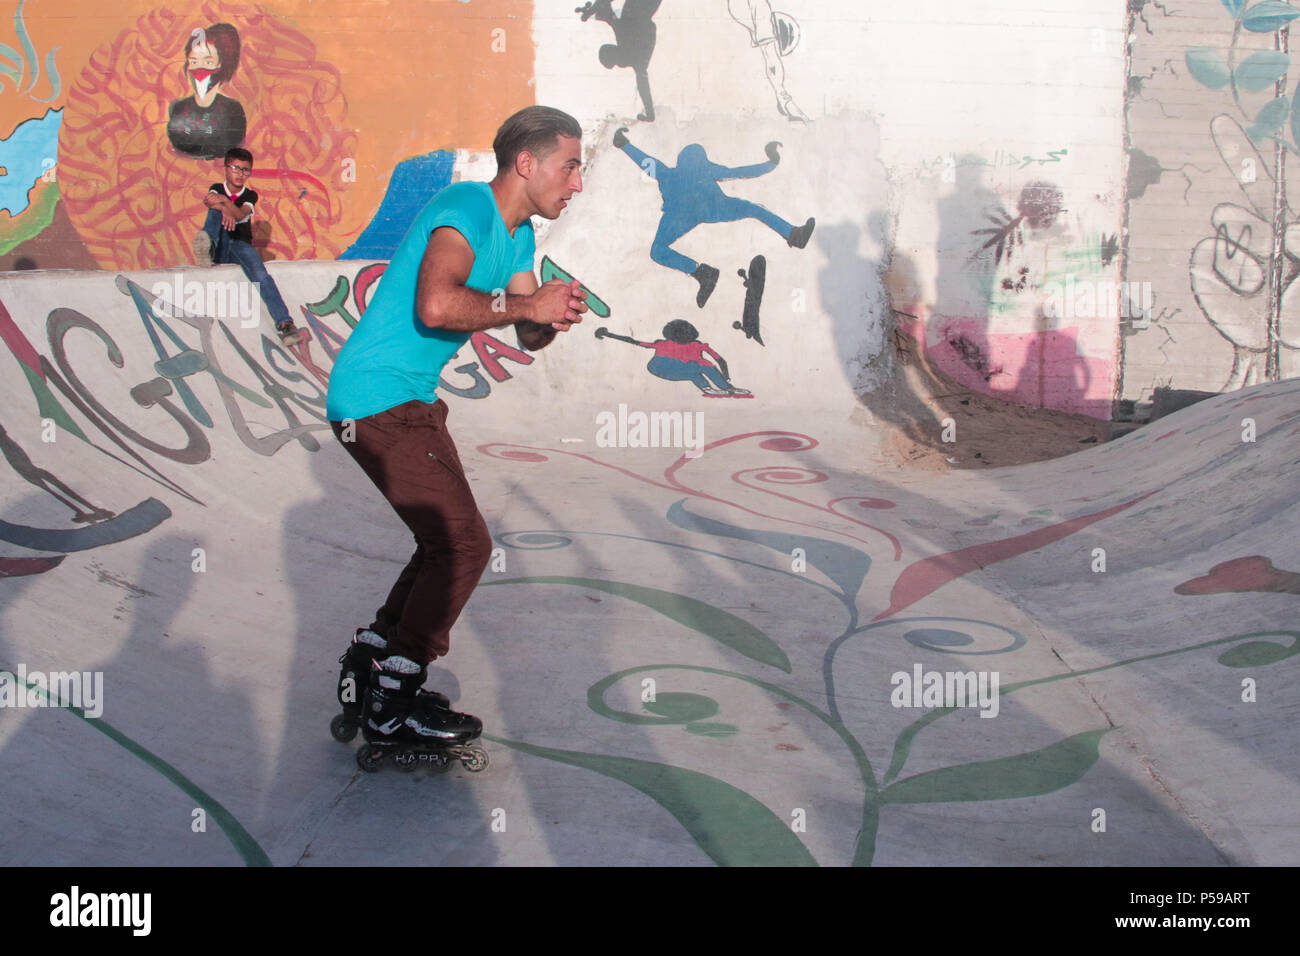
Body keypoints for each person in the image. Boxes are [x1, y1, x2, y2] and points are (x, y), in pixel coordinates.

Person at [325, 105, 588, 750]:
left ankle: (376, 653)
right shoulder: (466, 207)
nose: (577, 183)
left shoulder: (520, 238)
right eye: (571, 166)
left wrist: (549, 316)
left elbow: (525, 329)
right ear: (526, 164)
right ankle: (395, 700)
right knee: (465, 546)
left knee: (441, 542)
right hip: (375, 399)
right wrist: (528, 303)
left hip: (405, 400)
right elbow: (437, 302)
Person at [613, 126, 814, 306]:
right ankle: (793, 234)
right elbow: (742, 172)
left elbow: (646, 161)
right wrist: (772, 162)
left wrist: (624, 145)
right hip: (715, 208)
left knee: (658, 250)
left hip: (679, 216)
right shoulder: (706, 169)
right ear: (701, 159)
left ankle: (701, 272)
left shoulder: (667, 173)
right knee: (754, 209)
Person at [192, 147, 304, 345]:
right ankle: (207, 249)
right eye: (235, 168)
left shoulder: (250, 195)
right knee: (215, 214)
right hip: (220, 244)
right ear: (226, 168)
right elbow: (209, 202)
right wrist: (225, 208)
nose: (240, 174)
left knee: (261, 276)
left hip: (240, 246)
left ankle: (285, 324)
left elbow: (241, 215)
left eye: (245, 170)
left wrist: (225, 203)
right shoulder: (216, 187)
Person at [168, 24, 248, 160]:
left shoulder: (232, 111)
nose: (199, 69)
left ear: (220, 64)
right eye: (193, 62)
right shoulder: (178, 109)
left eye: (208, 62)